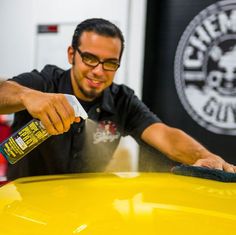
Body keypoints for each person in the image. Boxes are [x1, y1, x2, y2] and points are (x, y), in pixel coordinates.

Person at [0, 18, 235, 180]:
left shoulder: (122, 100)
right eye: (90, 58)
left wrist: (204, 157)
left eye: (110, 63)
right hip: (27, 202)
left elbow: (164, 134)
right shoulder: (44, 83)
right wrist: (26, 96)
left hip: (83, 207)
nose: (99, 71)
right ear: (72, 54)